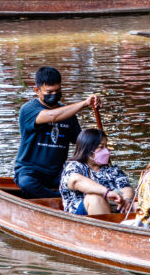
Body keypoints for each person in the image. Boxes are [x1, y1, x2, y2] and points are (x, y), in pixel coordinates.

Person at [14, 67, 99, 198]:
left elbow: (81, 142)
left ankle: (60, 196)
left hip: (58, 173)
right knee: (26, 183)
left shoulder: (68, 113)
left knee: (88, 179)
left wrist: (99, 145)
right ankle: (58, 198)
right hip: (31, 171)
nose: (54, 94)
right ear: (37, 91)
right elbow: (52, 116)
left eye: (57, 91)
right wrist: (84, 103)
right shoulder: (28, 109)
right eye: (49, 92)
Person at [59, 128, 133, 216]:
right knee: (95, 198)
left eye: (106, 146)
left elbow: (125, 186)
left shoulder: (112, 169)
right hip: (80, 214)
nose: (106, 151)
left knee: (136, 206)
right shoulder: (74, 166)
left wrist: (127, 200)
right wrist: (106, 192)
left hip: (114, 208)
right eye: (101, 147)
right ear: (87, 149)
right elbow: (76, 180)